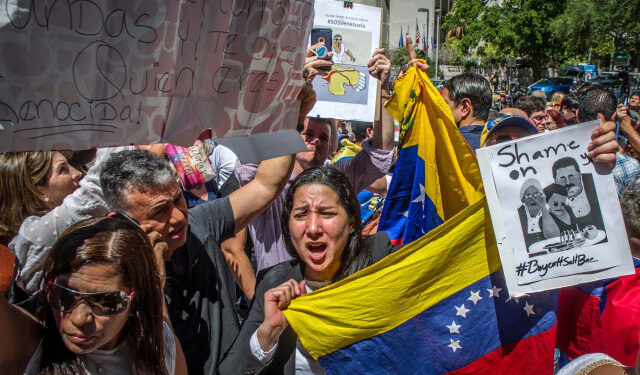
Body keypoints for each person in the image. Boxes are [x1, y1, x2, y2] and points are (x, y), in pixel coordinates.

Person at [100, 148, 295, 375]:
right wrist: (152, 282)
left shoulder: (199, 223)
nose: (178, 216)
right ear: (122, 222)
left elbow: (266, 185)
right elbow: (161, 363)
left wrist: (290, 118)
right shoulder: (112, 284)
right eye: (159, 211)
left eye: (178, 199)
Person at [218, 167, 400, 375]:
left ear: (351, 223)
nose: (313, 228)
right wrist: (268, 333)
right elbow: (231, 370)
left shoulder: (381, 260)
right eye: (301, 214)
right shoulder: (274, 282)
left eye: (327, 213)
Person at [237, 49, 395, 273]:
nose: (315, 142)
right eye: (308, 134)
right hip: (279, 299)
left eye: (323, 138)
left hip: (329, 298)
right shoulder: (264, 182)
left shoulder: (338, 178)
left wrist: (383, 87)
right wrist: (295, 91)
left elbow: (380, 153)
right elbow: (252, 149)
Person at [0, 217, 186, 374]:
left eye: (105, 301)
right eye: (64, 295)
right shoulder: (29, 346)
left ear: (136, 300)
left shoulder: (158, 346)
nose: (79, 318)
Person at [0, 151, 83, 301]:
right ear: (35, 189)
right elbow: (93, 192)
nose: (77, 173)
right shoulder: (35, 237)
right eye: (62, 169)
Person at [442, 73, 493, 151]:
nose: (441, 109)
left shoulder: (447, 147)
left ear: (464, 107)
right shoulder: (497, 141)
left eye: (445, 104)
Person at [551, 157, 604, 231]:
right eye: (562, 178)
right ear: (555, 181)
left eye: (571, 176)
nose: (568, 182)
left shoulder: (596, 183)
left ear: (579, 175)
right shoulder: (550, 197)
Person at [517, 178, 546, 248]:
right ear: (523, 200)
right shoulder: (518, 215)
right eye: (528, 196)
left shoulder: (549, 211)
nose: (533, 199)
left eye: (536, 194)